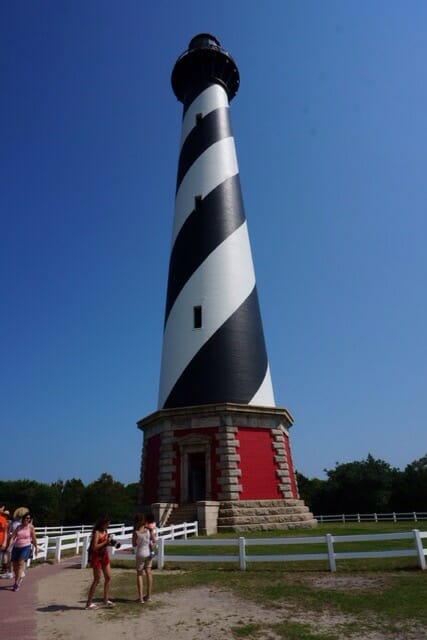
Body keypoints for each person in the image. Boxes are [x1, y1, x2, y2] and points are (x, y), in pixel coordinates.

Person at [85, 515, 114, 610]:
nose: (107, 526)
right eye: (106, 524)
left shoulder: (105, 532)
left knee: (108, 577)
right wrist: (105, 542)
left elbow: (104, 544)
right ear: (102, 523)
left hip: (104, 556)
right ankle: (88, 604)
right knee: (97, 580)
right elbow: (95, 547)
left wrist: (110, 543)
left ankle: (105, 600)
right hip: (97, 557)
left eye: (108, 525)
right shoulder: (97, 532)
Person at [8, 511, 39, 591]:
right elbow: (13, 537)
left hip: (26, 547)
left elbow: (34, 538)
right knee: (15, 567)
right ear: (23, 519)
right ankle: (20, 575)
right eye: (26, 518)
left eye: (29, 518)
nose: (28, 520)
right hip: (16, 547)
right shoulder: (18, 527)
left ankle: (16, 583)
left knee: (20, 564)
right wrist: (9, 545)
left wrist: (36, 547)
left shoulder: (31, 527)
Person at [132, 513, 157, 604]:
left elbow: (134, 544)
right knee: (149, 573)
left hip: (140, 553)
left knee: (139, 574)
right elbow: (154, 540)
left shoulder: (135, 532)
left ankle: (140, 598)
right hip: (148, 553)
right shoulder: (148, 530)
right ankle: (148, 596)